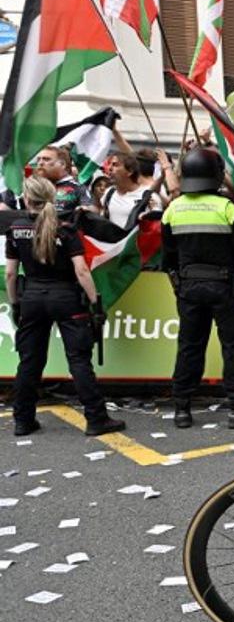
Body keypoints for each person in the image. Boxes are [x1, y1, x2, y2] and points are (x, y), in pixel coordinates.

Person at [5, 177, 125, 437]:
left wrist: (16, 303)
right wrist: (96, 303)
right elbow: (81, 270)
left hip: (32, 298)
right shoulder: (65, 229)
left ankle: (23, 420)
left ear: (27, 199)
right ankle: (96, 418)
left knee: (30, 361)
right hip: (66, 298)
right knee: (79, 360)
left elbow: (11, 275)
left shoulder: (15, 228)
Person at [161, 148, 234, 429]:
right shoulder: (226, 209)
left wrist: (179, 288)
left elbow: (168, 260)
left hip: (188, 288)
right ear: (216, 175)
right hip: (224, 288)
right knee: (232, 347)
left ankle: (181, 409)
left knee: (189, 346)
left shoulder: (173, 209)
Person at [101, 152, 162, 229]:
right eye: (109, 164)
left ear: (130, 171)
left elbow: (155, 228)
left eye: (115, 165)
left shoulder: (149, 196)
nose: (109, 168)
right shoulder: (109, 193)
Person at [32, 146, 89, 214]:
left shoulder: (78, 188)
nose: (40, 163)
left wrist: (85, 210)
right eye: (38, 160)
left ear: (62, 164)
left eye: (46, 159)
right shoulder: (34, 187)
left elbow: (91, 209)